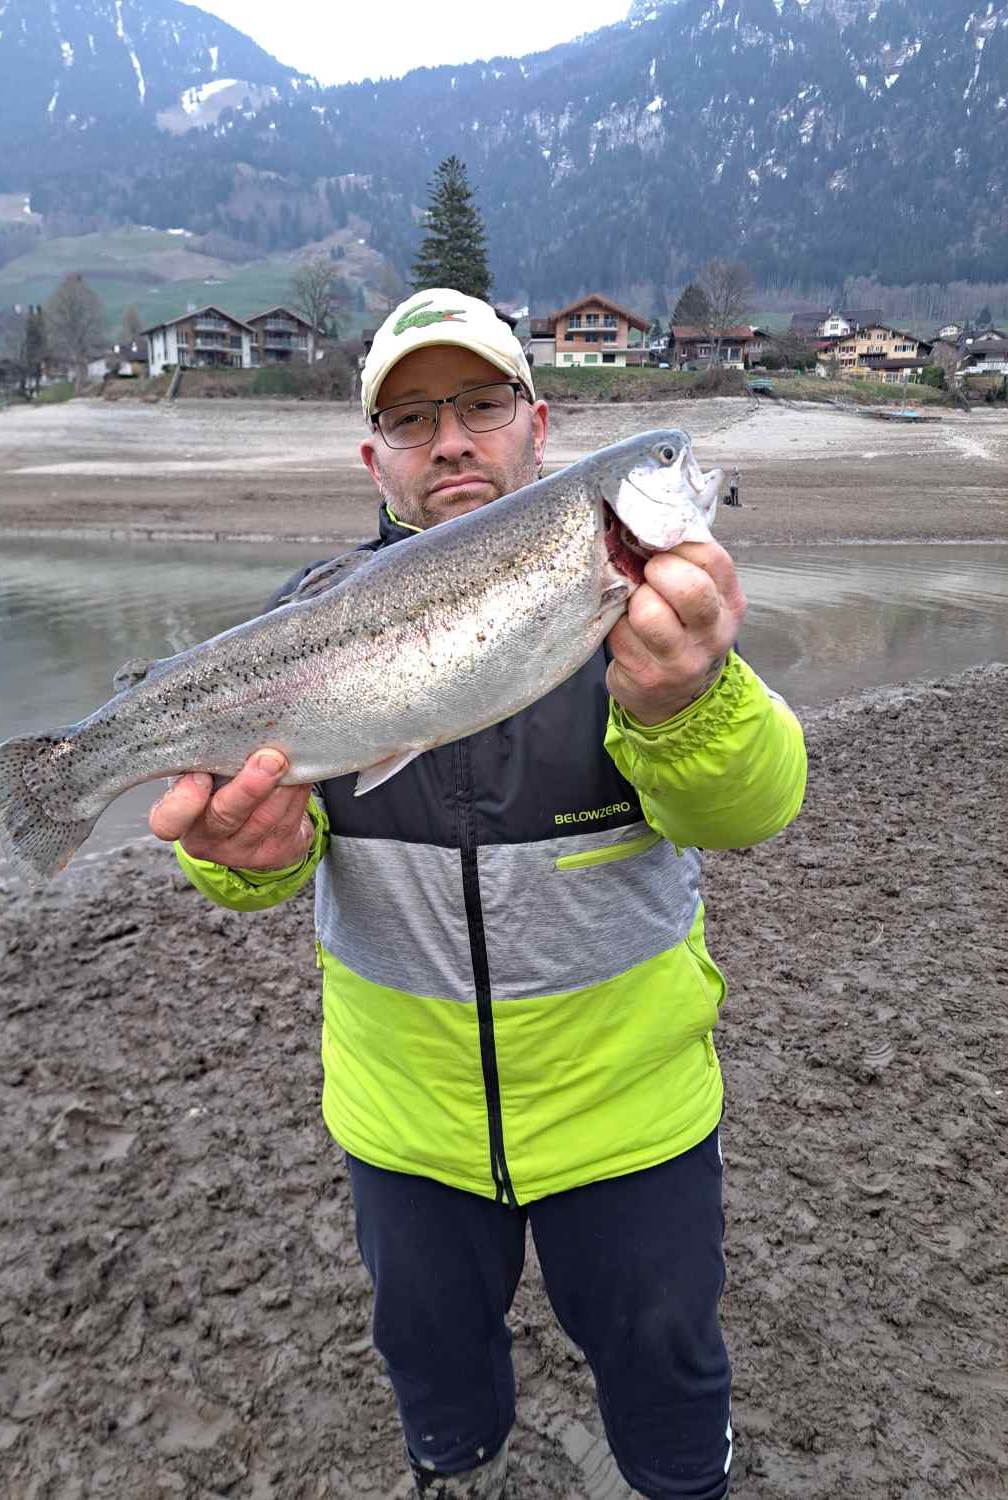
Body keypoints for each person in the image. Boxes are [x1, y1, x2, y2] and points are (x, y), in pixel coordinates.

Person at [149, 288, 807, 1500]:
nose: (451, 437)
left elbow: (754, 807)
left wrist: (685, 703)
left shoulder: (650, 615)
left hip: (632, 1114)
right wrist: (232, 853)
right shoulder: (307, 620)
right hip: (404, 1126)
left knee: (665, 1362)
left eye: (480, 402)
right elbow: (265, 863)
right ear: (374, 459)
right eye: (412, 417)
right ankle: (460, 1467)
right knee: (432, 1364)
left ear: (538, 423)